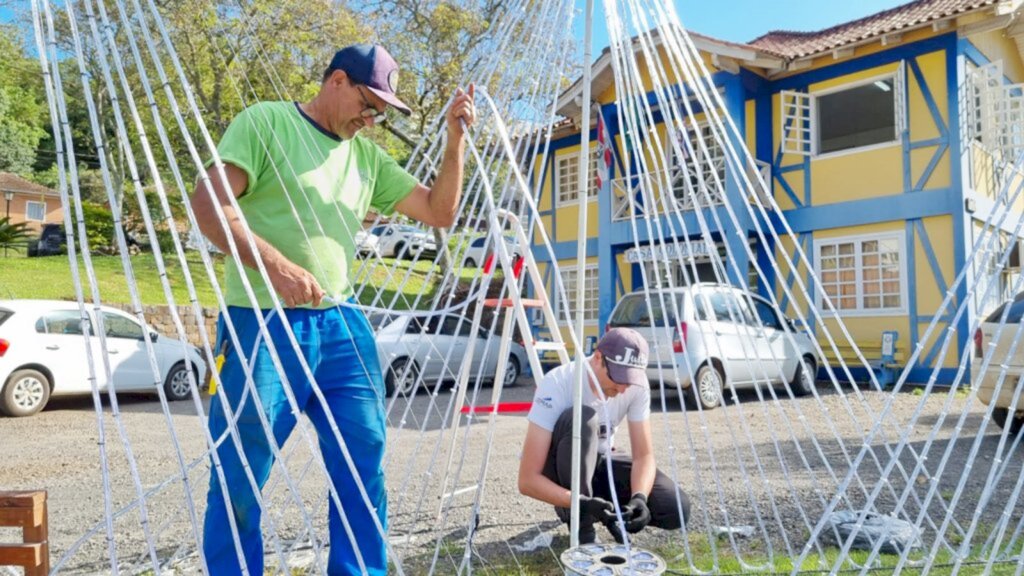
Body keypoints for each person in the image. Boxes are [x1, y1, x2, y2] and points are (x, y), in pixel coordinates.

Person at [190, 44, 475, 575]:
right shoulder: (266, 122)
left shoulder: (367, 157)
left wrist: (454, 142)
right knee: (240, 470)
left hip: (342, 324)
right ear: (337, 81)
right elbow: (209, 205)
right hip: (261, 322)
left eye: (382, 112)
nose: (374, 118)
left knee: (363, 459)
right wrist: (273, 266)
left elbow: (439, 211)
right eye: (370, 104)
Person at [517, 328, 691, 544]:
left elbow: (644, 456)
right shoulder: (558, 382)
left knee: (675, 507)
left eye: (629, 380)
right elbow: (527, 480)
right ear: (598, 358)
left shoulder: (635, 386)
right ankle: (581, 526)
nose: (622, 387)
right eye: (618, 377)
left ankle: (602, 509)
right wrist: (579, 502)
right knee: (583, 418)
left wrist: (640, 498)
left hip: (599, 460)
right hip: (562, 472)